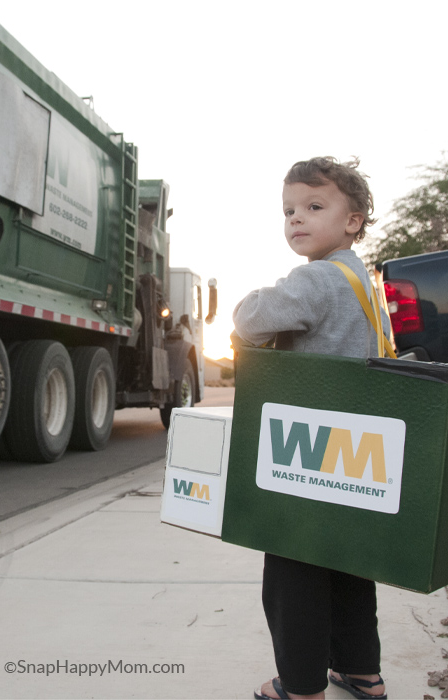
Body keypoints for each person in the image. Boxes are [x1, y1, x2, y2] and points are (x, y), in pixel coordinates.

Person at [232, 157, 389, 700]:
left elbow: (253, 321)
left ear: (353, 220)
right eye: (289, 210)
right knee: (349, 562)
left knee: (293, 567)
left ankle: (299, 686)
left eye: (314, 207)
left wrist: (247, 304)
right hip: (358, 449)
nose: (296, 219)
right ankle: (361, 672)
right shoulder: (363, 281)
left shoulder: (318, 278)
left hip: (309, 451)